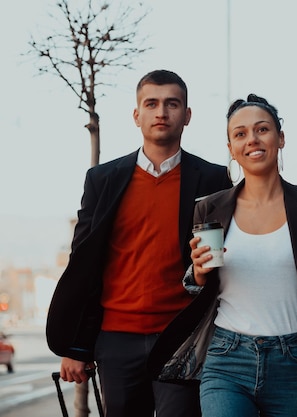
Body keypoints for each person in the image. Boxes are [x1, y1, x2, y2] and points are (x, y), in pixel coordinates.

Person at [146, 93, 297, 417]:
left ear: (281, 137)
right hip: (227, 358)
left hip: (295, 360)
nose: (252, 140)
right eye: (240, 134)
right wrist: (199, 273)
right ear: (231, 148)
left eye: (262, 129)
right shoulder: (209, 208)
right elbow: (192, 282)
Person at [45, 69, 232, 417]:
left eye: (172, 104)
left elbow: (220, 263)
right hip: (116, 339)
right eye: (152, 103)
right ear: (137, 115)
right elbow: (84, 266)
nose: (161, 112)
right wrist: (76, 346)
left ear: (187, 115)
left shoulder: (213, 177)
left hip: (182, 336)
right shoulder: (102, 180)